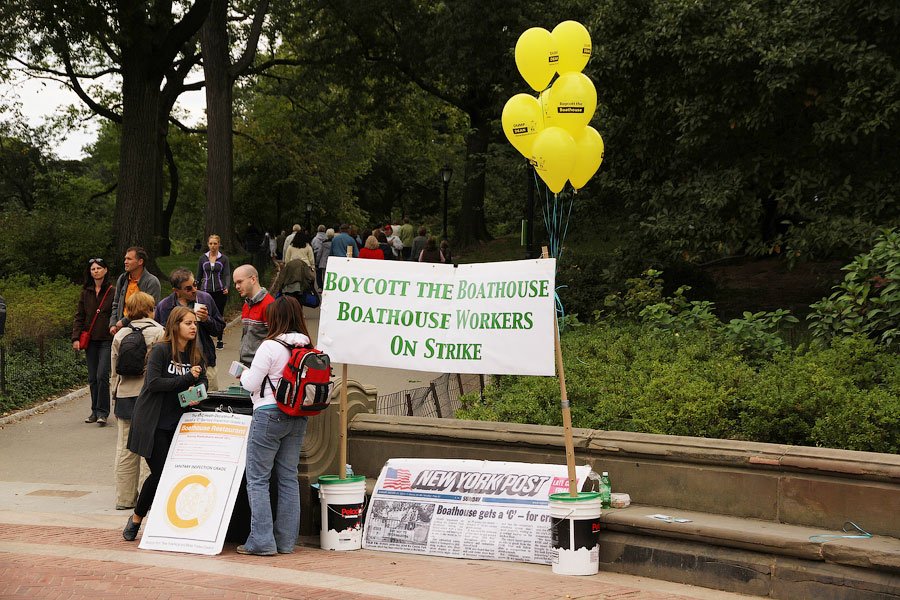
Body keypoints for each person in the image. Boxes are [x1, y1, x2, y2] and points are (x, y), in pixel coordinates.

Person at [123, 307, 207, 541]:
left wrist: (194, 393)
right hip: (153, 422)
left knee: (174, 474)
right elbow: (154, 383)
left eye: (195, 323)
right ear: (175, 326)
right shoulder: (160, 351)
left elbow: (203, 385)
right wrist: (186, 379)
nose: (193, 327)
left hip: (179, 424)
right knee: (161, 472)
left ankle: (165, 519)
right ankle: (137, 519)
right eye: (187, 323)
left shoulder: (195, 355)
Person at [237, 296, 312, 555]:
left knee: (258, 479)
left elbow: (250, 384)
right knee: (288, 478)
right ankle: (285, 541)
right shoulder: (307, 345)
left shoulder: (270, 346)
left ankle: (262, 541)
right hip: (297, 416)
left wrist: (241, 373)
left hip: (269, 414)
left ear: (275, 318)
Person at [109, 292, 162, 510]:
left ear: (128, 310)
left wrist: (114, 394)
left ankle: (124, 498)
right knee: (148, 448)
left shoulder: (120, 334)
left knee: (124, 448)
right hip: (149, 397)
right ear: (151, 308)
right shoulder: (159, 332)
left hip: (125, 395)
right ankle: (145, 500)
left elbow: (114, 371)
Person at [155, 268, 225, 391]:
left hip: (205, 365)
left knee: (206, 403)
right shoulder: (164, 306)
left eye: (195, 284)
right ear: (176, 291)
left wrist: (206, 319)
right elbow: (160, 336)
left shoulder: (205, 299)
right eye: (188, 288)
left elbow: (219, 329)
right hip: (176, 368)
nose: (194, 290)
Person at [72, 257, 115, 425]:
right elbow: (79, 316)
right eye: (93, 269)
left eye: (98, 268)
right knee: (92, 377)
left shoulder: (113, 291)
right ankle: (94, 411)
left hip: (106, 339)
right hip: (90, 340)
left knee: (102, 375)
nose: (95, 271)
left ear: (105, 270)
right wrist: (76, 337)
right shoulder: (86, 292)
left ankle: (103, 412)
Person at [109, 247, 162, 335]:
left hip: (141, 331)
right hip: (120, 329)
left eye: (129, 259)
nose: (125, 262)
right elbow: (116, 303)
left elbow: (148, 308)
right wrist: (113, 324)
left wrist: (124, 321)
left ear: (140, 262)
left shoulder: (151, 282)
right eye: (125, 259)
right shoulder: (123, 279)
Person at [233, 264, 276, 365]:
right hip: (246, 364)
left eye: (240, 282)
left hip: (261, 365)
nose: (237, 287)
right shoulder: (246, 305)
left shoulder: (269, 305)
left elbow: (276, 340)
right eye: (235, 283)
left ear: (253, 279)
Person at [197, 234, 231, 350]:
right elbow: (199, 275)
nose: (213, 246)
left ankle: (220, 339)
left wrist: (226, 286)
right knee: (204, 314)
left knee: (219, 315)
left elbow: (226, 274)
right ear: (208, 244)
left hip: (219, 291)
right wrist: (196, 288)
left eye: (215, 243)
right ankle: (205, 338)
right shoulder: (202, 258)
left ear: (219, 245)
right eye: (211, 243)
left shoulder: (224, 259)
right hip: (205, 291)